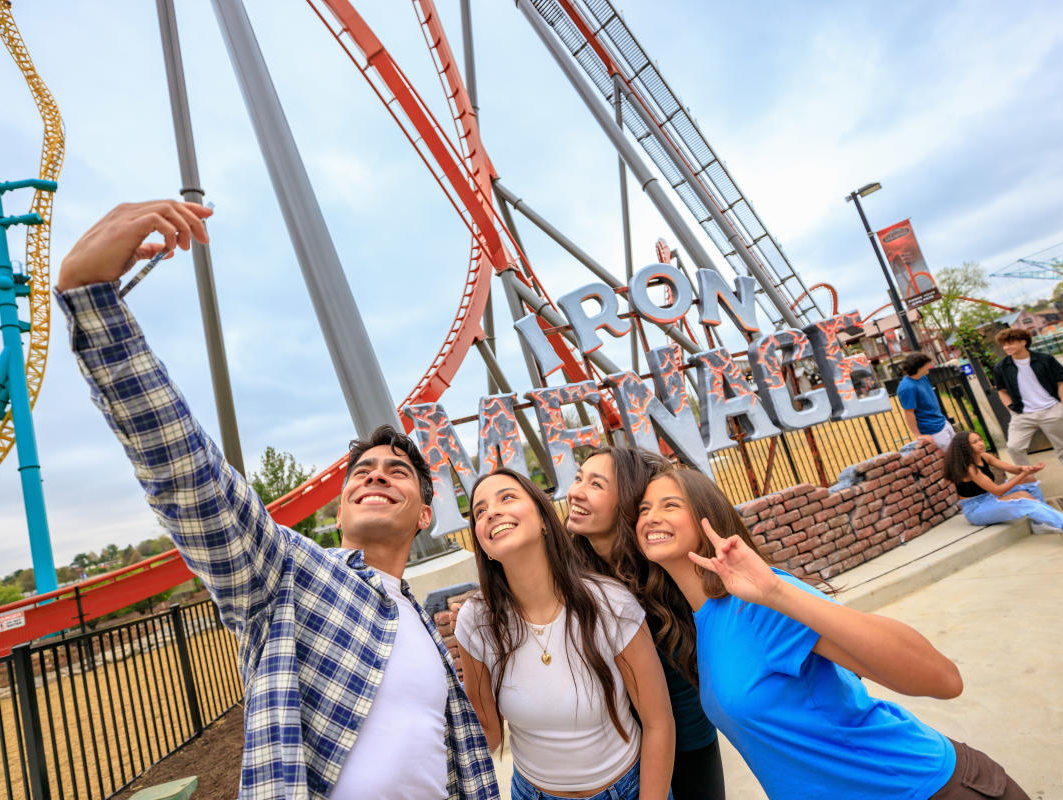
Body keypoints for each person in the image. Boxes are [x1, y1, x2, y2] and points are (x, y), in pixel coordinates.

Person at [56, 200, 499, 799]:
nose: (375, 476)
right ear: (338, 513)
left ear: (425, 513)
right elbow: (195, 484)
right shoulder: (288, 576)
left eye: (397, 471)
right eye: (361, 472)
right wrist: (93, 304)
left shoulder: (419, 621)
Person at [635, 466, 1031, 800]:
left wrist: (776, 592)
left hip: (922, 789)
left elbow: (942, 679)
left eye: (670, 505)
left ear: (709, 518)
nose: (651, 517)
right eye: (643, 508)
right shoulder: (699, 620)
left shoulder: (760, 600)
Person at [454, 468, 674, 800]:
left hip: (626, 790)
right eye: (480, 512)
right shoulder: (475, 621)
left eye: (507, 498)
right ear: (485, 547)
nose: (492, 512)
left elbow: (659, 725)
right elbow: (487, 730)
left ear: (543, 519)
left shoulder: (610, 603)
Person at [567, 447, 725, 800]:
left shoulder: (664, 562)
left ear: (626, 502)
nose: (576, 491)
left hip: (689, 739)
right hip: (618, 753)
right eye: (579, 478)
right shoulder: (571, 574)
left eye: (596, 484)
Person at [942, 431, 1063, 545]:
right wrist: (1021, 475)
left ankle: (1039, 525)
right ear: (965, 447)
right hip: (976, 509)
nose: (980, 444)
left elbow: (1013, 469)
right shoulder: (970, 468)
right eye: (974, 442)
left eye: (980, 439)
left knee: (1029, 479)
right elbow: (998, 491)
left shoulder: (984, 457)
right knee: (1024, 501)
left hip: (989, 499)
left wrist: (1028, 469)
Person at [991, 327, 1063, 502]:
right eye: (1004, 345)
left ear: (1023, 342)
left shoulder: (1045, 360)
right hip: (1022, 414)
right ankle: (1030, 482)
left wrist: (1062, 406)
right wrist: (1011, 410)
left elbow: (1061, 382)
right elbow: (1002, 391)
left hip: (1051, 410)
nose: (1006, 348)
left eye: (1011, 343)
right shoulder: (1001, 367)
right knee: (1014, 447)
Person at [895, 352, 955, 450]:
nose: (929, 366)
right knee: (952, 459)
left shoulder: (922, 377)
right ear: (919, 367)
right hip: (932, 430)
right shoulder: (907, 387)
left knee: (960, 454)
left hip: (942, 422)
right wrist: (918, 435)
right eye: (927, 364)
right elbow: (909, 413)